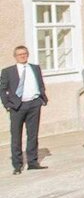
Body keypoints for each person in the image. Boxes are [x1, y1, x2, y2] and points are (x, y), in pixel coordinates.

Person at [0, 46, 48, 174]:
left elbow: (40, 84)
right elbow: (2, 89)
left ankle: (32, 162)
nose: (23, 56)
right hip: (17, 107)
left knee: (32, 135)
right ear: (15, 56)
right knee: (16, 136)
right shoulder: (8, 71)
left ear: (28, 55)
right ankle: (17, 165)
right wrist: (7, 104)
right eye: (20, 54)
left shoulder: (35, 68)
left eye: (25, 54)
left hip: (34, 104)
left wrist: (42, 99)